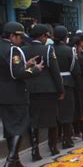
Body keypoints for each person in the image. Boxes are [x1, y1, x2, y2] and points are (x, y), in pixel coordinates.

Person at [0, 22, 43, 167]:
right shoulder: (12, 49)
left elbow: (8, 69)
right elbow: (17, 73)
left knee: (10, 128)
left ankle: (16, 162)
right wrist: (34, 69)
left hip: (3, 95)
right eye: (19, 37)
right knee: (19, 127)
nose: (21, 41)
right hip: (15, 94)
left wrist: (25, 64)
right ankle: (10, 162)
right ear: (12, 36)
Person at [23, 24, 64, 159]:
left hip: (30, 89)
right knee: (52, 118)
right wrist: (60, 89)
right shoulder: (47, 50)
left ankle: (35, 150)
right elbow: (55, 72)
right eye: (46, 36)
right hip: (48, 89)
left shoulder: (22, 50)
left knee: (33, 119)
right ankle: (52, 147)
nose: (47, 39)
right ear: (41, 36)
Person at [54, 25, 82, 149]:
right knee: (67, 111)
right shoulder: (70, 50)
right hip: (67, 82)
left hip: (53, 83)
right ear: (65, 38)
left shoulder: (49, 49)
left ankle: (55, 139)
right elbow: (75, 69)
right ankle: (67, 138)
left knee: (55, 111)